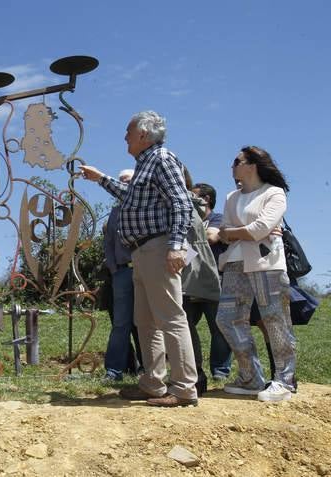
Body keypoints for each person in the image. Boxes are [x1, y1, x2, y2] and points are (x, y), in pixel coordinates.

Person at [80, 110, 198, 407]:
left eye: (128, 133)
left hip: (158, 248)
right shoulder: (146, 164)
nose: (125, 138)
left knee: (171, 318)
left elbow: (181, 202)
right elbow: (133, 198)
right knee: (145, 321)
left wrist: (176, 246)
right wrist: (101, 179)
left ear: (143, 135)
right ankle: (153, 383)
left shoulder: (161, 159)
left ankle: (184, 389)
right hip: (142, 251)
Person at [216, 146, 296, 402]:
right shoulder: (231, 197)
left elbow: (259, 228)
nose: (232, 166)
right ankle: (251, 378)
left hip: (267, 264)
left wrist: (242, 231)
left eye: (236, 161)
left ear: (252, 165)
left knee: (275, 320)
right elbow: (225, 232)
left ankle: (285, 380)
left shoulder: (274, 193)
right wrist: (247, 230)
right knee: (227, 319)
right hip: (234, 263)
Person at [102, 169, 143, 382]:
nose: (123, 184)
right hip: (122, 272)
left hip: (145, 269)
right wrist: (113, 267)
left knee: (146, 322)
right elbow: (108, 242)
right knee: (121, 323)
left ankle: (148, 369)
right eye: (120, 182)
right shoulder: (115, 212)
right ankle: (114, 371)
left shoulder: (145, 207)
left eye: (127, 181)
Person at [190, 183, 233, 379]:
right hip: (190, 283)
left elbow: (211, 237)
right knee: (185, 325)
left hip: (215, 281)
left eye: (193, 196)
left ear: (206, 199)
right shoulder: (190, 220)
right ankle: (193, 368)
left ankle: (220, 370)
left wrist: (191, 239)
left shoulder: (218, 218)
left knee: (219, 328)